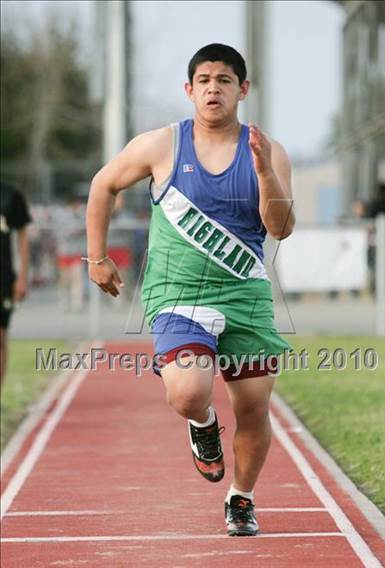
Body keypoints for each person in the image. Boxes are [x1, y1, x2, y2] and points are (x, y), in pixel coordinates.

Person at [85, 44, 295, 536]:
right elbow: (103, 185)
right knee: (187, 391)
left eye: (224, 80)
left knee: (252, 408)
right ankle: (201, 424)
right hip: (178, 294)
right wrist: (97, 258)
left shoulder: (269, 150)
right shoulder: (162, 145)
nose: (213, 88)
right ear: (189, 90)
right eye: (203, 80)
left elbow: (281, 228)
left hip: (245, 295)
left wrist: (264, 173)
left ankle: (240, 498)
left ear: (243, 89)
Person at [0, 182, 32, 388]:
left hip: (3, 279)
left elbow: (23, 239)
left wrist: (22, 277)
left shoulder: (11, 196)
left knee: (1, 338)